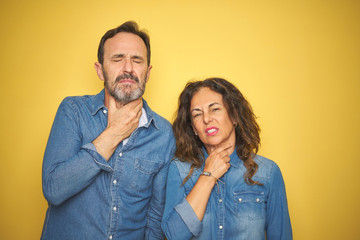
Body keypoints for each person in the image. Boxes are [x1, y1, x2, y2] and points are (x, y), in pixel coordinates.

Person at [41, 21, 175, 240]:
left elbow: (155, 217)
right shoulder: (73, 111)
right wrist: (113, 134)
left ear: (148, 72)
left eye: (137, 60)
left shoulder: (163, 133)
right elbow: (54, 190)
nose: (128, 69)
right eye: (117, 59)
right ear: (100, 70)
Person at [161, 78, 292, 240]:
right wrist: (208, 176)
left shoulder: (267, 172)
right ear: (194, 129)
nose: (206, 119)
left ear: (235, 116)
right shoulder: (179, 170)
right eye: (197, 114)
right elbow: (174, 235)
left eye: (214, 109)